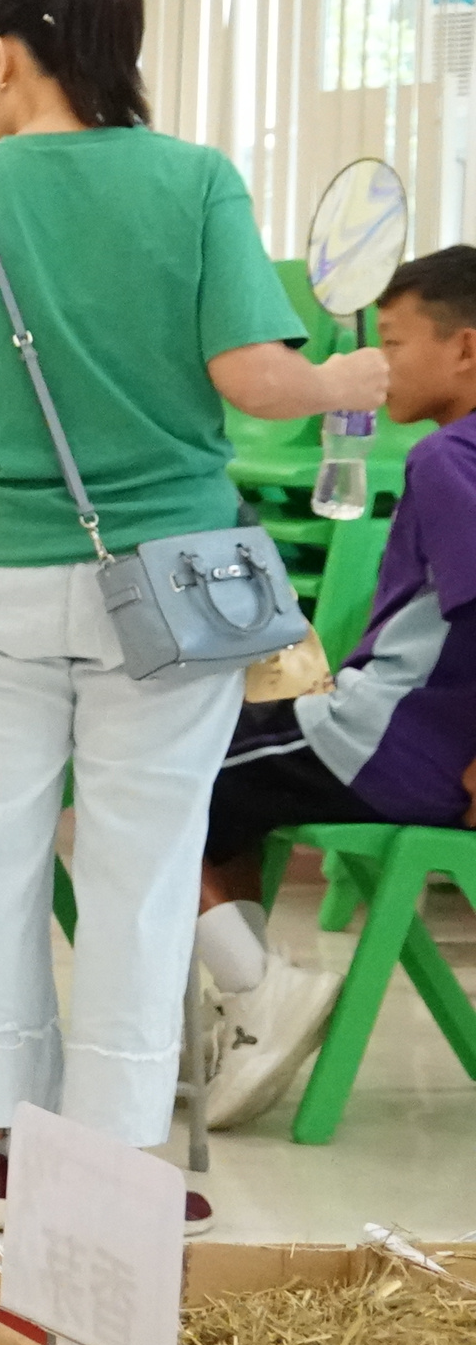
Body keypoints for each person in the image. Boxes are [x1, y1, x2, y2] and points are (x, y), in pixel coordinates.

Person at [0, 0, 384, 1227]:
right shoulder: (196, 182)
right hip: (174, 580)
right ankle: (118, 1158)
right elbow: (253, 375)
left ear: (4, 57)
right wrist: (342, 383)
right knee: (144, 863)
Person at [187, 243, 476, 1130]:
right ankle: (243, 1010)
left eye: (394, 342)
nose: (379, 364)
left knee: (145, 783)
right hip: (419, 745)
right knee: (218, 791)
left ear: (465, 348)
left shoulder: (447, 459)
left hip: (389, 742)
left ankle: (259, 995)